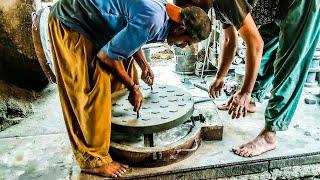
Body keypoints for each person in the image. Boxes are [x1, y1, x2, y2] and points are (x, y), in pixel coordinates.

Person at [47, 0, 210, 177]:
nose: (184, 46)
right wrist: (133, 88)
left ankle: (111, 133)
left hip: (97, 21)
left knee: (127, 70)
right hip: (73, 20)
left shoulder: (169, 12)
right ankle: (92, 159)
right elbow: (106, 57)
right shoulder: (154, 19)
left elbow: (131, 31)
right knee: (94, 88)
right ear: (179, 29)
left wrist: (144, 64)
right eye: (186, 41)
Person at [175, 0, 320, 157]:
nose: (192, 18)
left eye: (190, 10)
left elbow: (255, 45)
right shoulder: (216, 6)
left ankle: (270, 134)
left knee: (290, 63)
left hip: (303, 4)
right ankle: (250, 100)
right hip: (277, 7)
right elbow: (230, 41)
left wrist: (245, 91)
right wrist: (220, 76)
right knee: (265, 49)